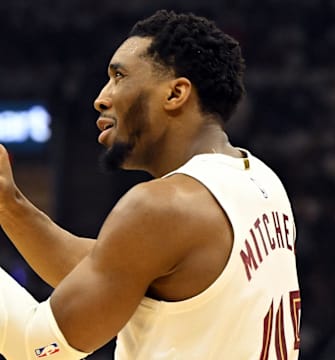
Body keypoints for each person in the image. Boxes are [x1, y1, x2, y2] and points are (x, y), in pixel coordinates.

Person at [0, 9, 301, 360]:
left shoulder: (161, 206)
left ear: (175, 93)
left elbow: (34, 347)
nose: (101, 97)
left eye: (119, 76)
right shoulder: (260, 179)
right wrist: (10, 204)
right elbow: (117, 266)